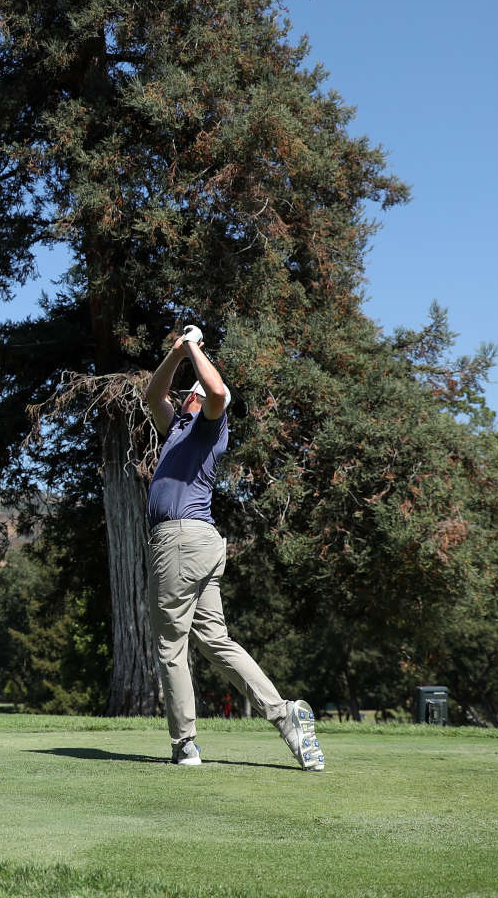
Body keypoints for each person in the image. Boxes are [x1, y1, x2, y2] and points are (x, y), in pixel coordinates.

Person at [141, 328, 324, 772]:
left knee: (170, 645)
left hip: (180, 541)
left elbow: (219, 390)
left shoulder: (208, 425)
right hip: (199, 544)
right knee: (215, 640)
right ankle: (285, 716)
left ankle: (184, 743)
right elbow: (152, 396)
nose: (184, 395)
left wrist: (195, 349)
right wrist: (178, 351)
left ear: (198, 401)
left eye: (190, 392)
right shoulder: (177, 429)